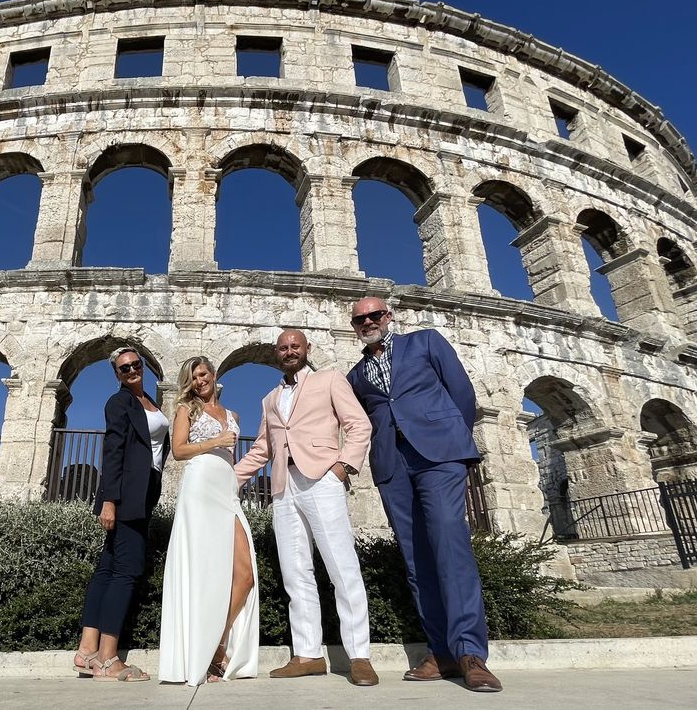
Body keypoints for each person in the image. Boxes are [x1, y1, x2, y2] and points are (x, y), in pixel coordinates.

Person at [345, 297, 502, 693]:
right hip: (393, 464)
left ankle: (470, 653)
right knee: (416, 557)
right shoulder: (356, 374)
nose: (368, 322)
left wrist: (453, 438)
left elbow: (461, 393)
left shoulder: (426, 342)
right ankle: (442, 653)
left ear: (389, 316)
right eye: (360, 319)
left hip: (439, 454)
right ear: (354, 325)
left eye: (374, 315)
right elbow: (360, 419)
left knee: (450, 541)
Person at [234, 329, 379, 687]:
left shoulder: (329, 380)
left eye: (295, 346)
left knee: (341, 566)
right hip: (283, 487)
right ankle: (307, 654)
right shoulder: (269, 399)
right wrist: (228, 478)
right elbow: (262, 449)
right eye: (283, 347)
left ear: (306, 349)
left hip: (322, 479)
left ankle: (359, 655)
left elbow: (358, 424)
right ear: (276, 354)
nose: (289, 351)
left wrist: (344, 466)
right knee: (295, 573)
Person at [158, 356, 259, 686]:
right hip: (199, 488)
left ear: (214, 375)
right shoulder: (188, 409)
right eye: (193, 377)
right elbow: (178, 450)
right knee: (203, 571)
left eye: (203, 375)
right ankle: (209, 651)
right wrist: (215, 441)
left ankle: (216, 642)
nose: (199, 381)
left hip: (226, 490)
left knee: (245, 576)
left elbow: (232, 460)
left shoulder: (234, 415)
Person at [72, 346, 169, 682]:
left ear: (144, 366)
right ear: (117, 374)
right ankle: (108, 659)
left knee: (108, 568)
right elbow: (113, 449)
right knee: (127, 570)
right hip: (126, 495)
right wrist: (109, 500)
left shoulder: (150, 402)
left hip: (141, 494)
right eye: (124, 368)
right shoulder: (120, 402)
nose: (131, 371)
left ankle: (87, 651)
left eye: (135, 364)